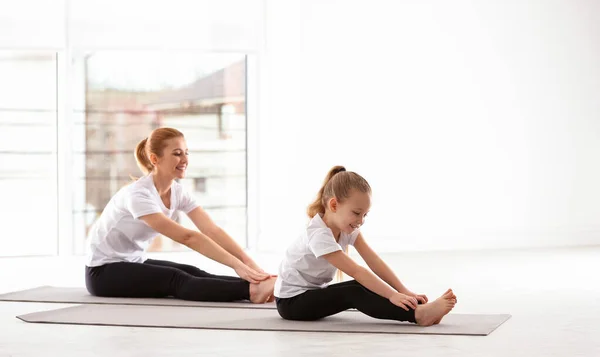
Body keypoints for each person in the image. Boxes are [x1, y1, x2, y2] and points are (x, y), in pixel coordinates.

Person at [85, 127, 275, 303]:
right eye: (177, 154)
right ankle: (251, 291)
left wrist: (249, 264)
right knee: (175, 279)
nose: (185, 159)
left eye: (186, 153)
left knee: (191, 271)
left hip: (131, 261)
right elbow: (188, 237)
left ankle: (257, 285)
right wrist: (237, 265)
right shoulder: (138, 195)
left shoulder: (177, 192)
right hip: (103, 272)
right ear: (154, 159)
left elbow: (211, 230)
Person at [274, 166, 457, 325]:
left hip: (310, 293)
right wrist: (392, 295)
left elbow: (373, 261)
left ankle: (416, 310)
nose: (360, 221)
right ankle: (418, 315)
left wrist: (404, 291)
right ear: (333, 205)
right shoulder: (318, 235)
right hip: (291, 302)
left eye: (365, 215)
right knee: (354, 291)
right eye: (356, 213)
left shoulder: (346, 228)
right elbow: (357, 271)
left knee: (361, 285)